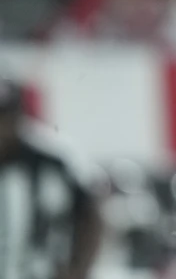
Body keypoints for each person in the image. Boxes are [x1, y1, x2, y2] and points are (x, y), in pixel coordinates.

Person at [0, 77, 103, 279]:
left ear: (19, 118)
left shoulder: (53, 163)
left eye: (4, 118)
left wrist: (78, 269)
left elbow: (90, 216)